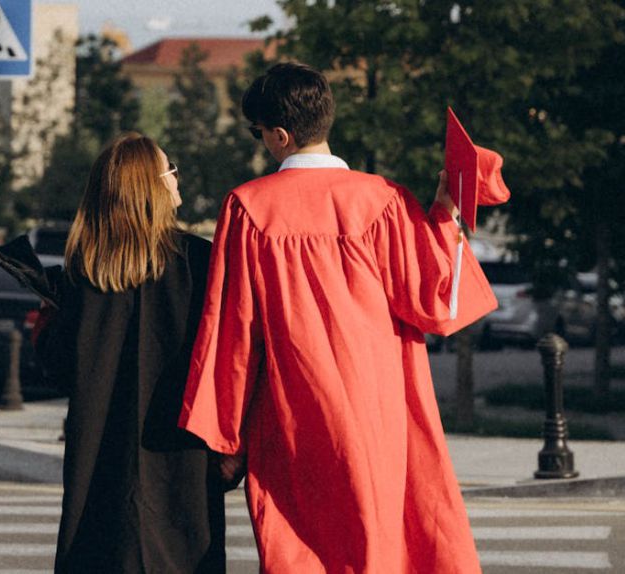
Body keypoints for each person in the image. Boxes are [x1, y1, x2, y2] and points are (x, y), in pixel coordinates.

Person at [179, 63, 498, 572]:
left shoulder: (249, 208)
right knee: (382, 538)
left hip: (295, 411)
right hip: (383, 409)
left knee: (304, 546)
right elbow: (439, 302)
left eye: (257, 131)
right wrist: (444, 217)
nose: (260, 141)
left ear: (279, 135)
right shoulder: (385, 199)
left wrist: (226, 434)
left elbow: (233, 329)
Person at [0, 133, 227, 573]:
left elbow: (60, 369)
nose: (177, 178)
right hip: (181, 455)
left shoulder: (86, 272)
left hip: (101, 459)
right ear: (152, 187)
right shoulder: (200, 263)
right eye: (170, 170)